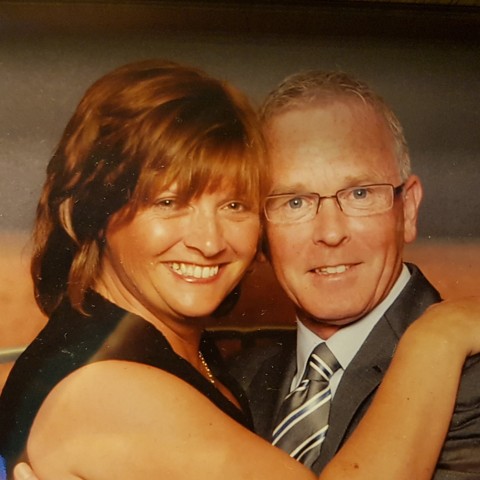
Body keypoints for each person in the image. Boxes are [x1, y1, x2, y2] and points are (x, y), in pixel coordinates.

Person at [1, 60, 480, 480]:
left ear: (407, 208)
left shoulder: (217, 363)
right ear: (94, 214)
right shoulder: (105, 389)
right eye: (169, 202)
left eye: (234, 205)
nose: (210, 243)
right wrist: (437, 338)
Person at [231, 70, 480, 478]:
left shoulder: (469, 379)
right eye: (294, 202)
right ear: (260, 230)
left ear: (408, 210)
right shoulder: (237, 380)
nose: (331, 233)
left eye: (360, 193)